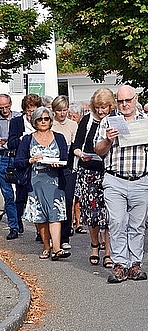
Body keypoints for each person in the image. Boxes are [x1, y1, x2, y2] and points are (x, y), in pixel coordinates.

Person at [94, 85, 148, 283]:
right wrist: (108, 140)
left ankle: (135, 263)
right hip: (115, 179)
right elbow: (98, 150)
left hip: (140, 180)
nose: (124, 104)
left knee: (138, 224)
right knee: (117, 222)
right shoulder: (108, 121)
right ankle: (119, 264)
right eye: (121, 101)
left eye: (128, 100)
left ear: (136, 99)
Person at [16, 107, 70, 260]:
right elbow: (18, 162)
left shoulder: (59, 137)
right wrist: (30, 160)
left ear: (50, 120)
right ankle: (47, 247)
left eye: (46, 119)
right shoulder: (28, 139)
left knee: (55, 214)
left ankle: (57, 248)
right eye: (40, 119)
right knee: (41, 216)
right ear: (34, 121)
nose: (43, 122)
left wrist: (59, 164)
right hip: (35, 181)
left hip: (55, 181)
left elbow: (66, 159)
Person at [70, 88, 115, 268]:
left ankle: (109, 252)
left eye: (104, 107)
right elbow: (76, 146)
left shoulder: (114, 121)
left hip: (109, 171)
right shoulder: (88, 120)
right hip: (89, 172)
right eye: (97, 107)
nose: (101, 111)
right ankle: (95, 245)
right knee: (93, 214)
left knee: (111, 214)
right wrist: (81, 154)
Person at [7, 94, 43, 239]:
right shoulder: (16, 122)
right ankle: (18, 219)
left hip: (38, 164)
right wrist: (21, 139)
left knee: (37, 196)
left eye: (33, 111)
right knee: (21, 196)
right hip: (22, 162)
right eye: (28, 111)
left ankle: (40, 231)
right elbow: (11, 142)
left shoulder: (41, 121)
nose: (31, 114)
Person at [51, 95, 78, 251]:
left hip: (68, 167)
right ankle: (53, 236)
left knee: (67, 201)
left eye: (65, 110)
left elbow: (74, 146)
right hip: (52, 167)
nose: (62, 114)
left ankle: (65, 236)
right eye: (59, 110)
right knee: (53, 202)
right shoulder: (50, 124)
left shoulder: (73, 125)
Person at [0, 94, 20, 227]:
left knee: (22, 191)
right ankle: (13, 225)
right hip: (2, 157)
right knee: (7, 193)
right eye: (1, 108)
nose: (4, 110)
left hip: (18, 156)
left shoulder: (18, 117)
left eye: (7, 107)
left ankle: (19, 219)